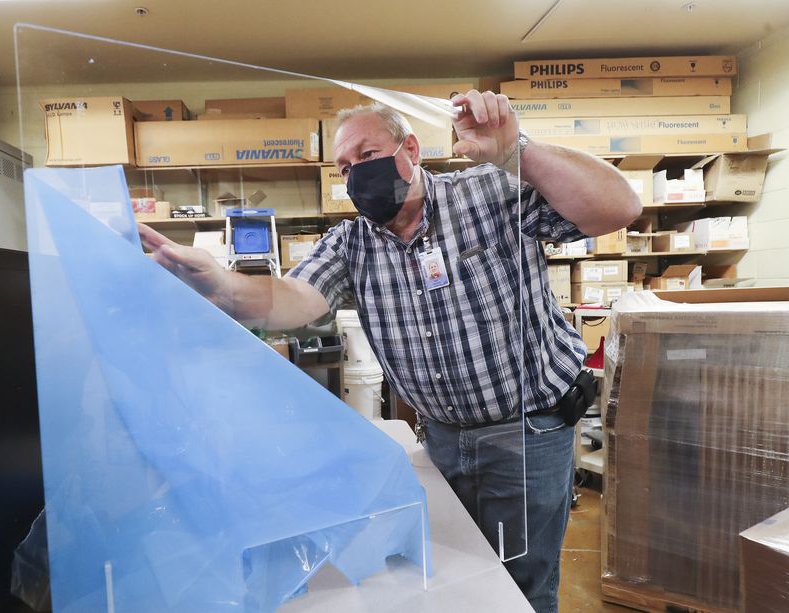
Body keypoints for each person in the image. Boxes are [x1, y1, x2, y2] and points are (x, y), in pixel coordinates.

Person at [139, 89, 642, 612]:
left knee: (523, 589)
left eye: (366, 155)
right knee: (458, 579)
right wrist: (218, 284)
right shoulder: (350, 242)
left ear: (411, 149)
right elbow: (293, 301)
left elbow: (618, 208)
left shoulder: (489, 192)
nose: (354, 173)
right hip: (443, 440)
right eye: (342, 167)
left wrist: (516, 150)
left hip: (526, 434)